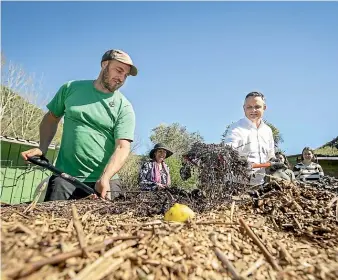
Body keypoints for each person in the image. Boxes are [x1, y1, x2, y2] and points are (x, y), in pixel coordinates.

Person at [21, 49, 138, 200]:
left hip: (104, 181)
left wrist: (105, 177)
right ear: (104, 64)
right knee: (52, 220)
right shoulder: (71, 89)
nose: (121, 78)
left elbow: (122, 147)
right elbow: (51, 118)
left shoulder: (124, 107)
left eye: (125, 75)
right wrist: (42, 148)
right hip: (65, 177)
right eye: (119, 70)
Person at [223, 91, 275, 185]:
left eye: (257, 107)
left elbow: (270, 156)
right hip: (236, 184)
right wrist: (239, 160)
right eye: (249, 107)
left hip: (259, 185)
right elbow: (228, 150)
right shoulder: (236, 129)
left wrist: (274, 162)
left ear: (264, 108)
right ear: (244, 108)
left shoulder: (268, 131)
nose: (253, 110)